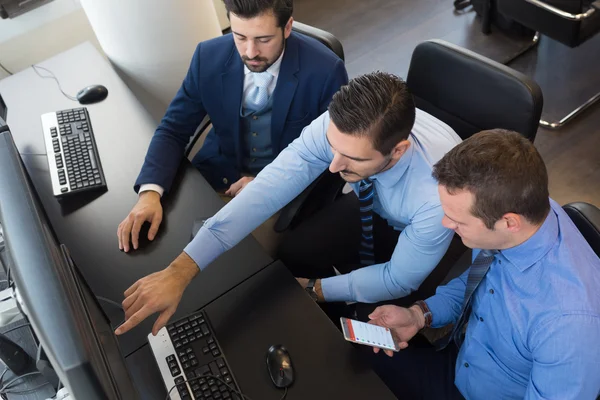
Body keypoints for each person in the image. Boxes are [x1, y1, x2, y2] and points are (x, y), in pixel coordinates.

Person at [114, 71, 462, 336]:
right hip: (373, 204)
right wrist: (181, 270)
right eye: (333, 147)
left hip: (429, 229)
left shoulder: (436, 197)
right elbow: (265, 191)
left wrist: (316, 289)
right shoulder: (341, 126)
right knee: (290, 255)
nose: (333, 166)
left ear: (397, 150)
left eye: (351, 158)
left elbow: (398, 279)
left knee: (377, 324)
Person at [367, 130, 600, 400]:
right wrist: (420, 315)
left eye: (458, 220)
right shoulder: (521, 208)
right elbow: (478, 282)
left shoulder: (569, 326)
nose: (446, 223)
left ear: (509, 222)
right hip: (463, 362)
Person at [117, 0, 348, 253]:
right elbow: (173, 128)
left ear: (288, 27)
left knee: (226, 267)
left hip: (279, 196)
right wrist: (150, 192)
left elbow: (331, 155)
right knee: (157, 245)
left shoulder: (325, 71)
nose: (250, 51)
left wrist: (266, 184)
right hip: (213, 178)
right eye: (240, 37)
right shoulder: (208, 56)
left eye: (263, 39)